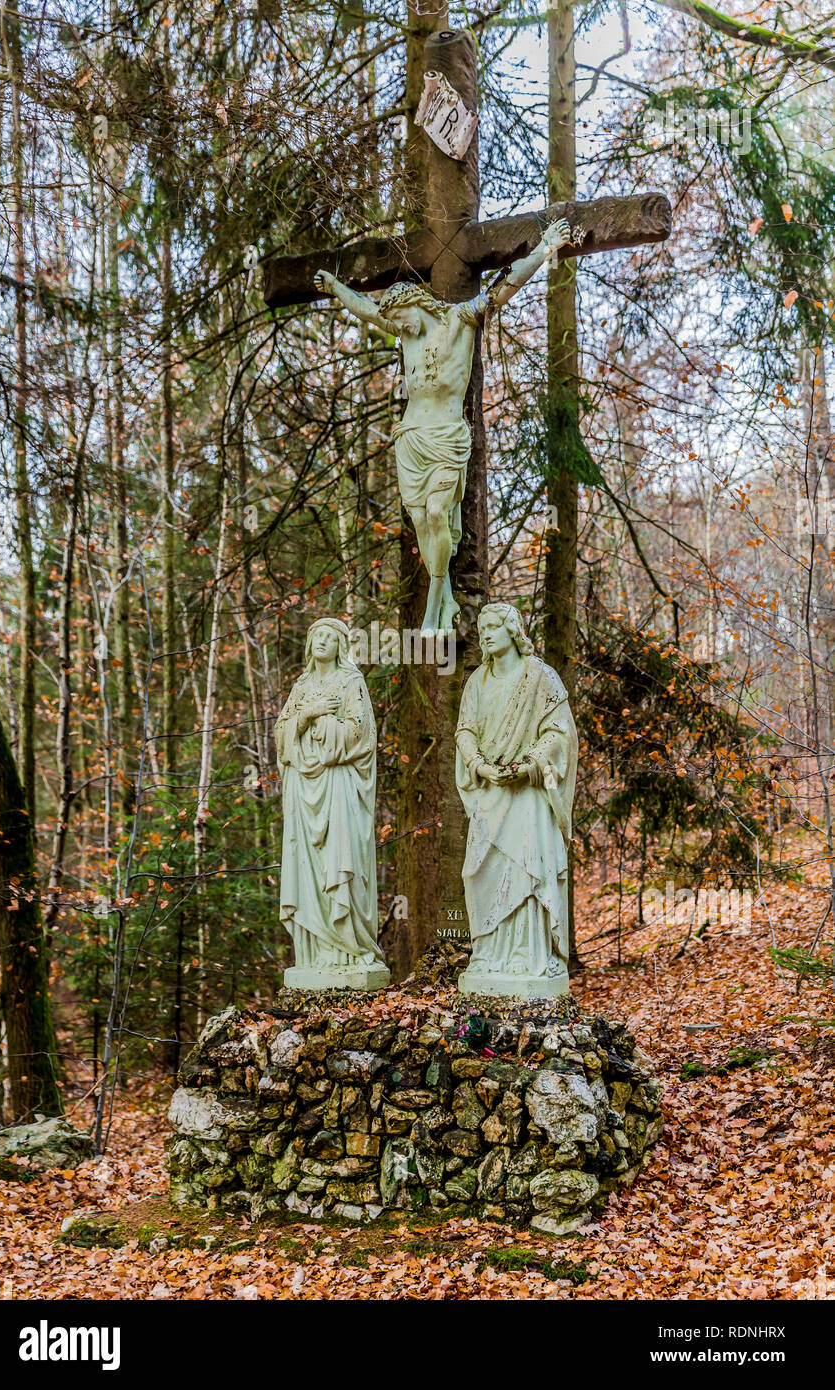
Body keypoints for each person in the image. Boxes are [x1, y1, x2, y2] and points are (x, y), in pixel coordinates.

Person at [315, 217, 578, 635]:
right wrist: (335, 288)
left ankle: (434, 609)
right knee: (423, 525)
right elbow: (368, 310)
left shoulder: (459, 320)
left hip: (446, 439)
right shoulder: (407, 333)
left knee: (438, 512)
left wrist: (546, 247)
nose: (398, 330)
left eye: (400, 320)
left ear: (415, 304)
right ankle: (445, 597)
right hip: (411, 441)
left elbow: (503, 289)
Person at [455, 602, 578, 998]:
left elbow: (559, 733)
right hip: (489, 789)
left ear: (513, 630)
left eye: (494, 626)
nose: (486, 634)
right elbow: (465, 730)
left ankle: (529, 954)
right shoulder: (477, 681)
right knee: (478, 871)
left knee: (527, 867)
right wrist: (479, 764)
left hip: (527, 793)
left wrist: (530, 764)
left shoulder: (541, 677)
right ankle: (488, 952)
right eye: (482, 628)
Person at [274, 618, 390, 990]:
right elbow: (281, 738)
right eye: (316, 636)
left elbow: (360, 735)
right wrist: (309, 714)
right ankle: (313, 953)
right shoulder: (302, 686)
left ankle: (350, 947)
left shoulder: (351, 682)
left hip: (339, 787)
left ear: (341, 645)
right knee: (307, 865)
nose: (322, 641)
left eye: (329, 636)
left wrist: (321, 728)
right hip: (302, 792)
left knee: (340, 862)